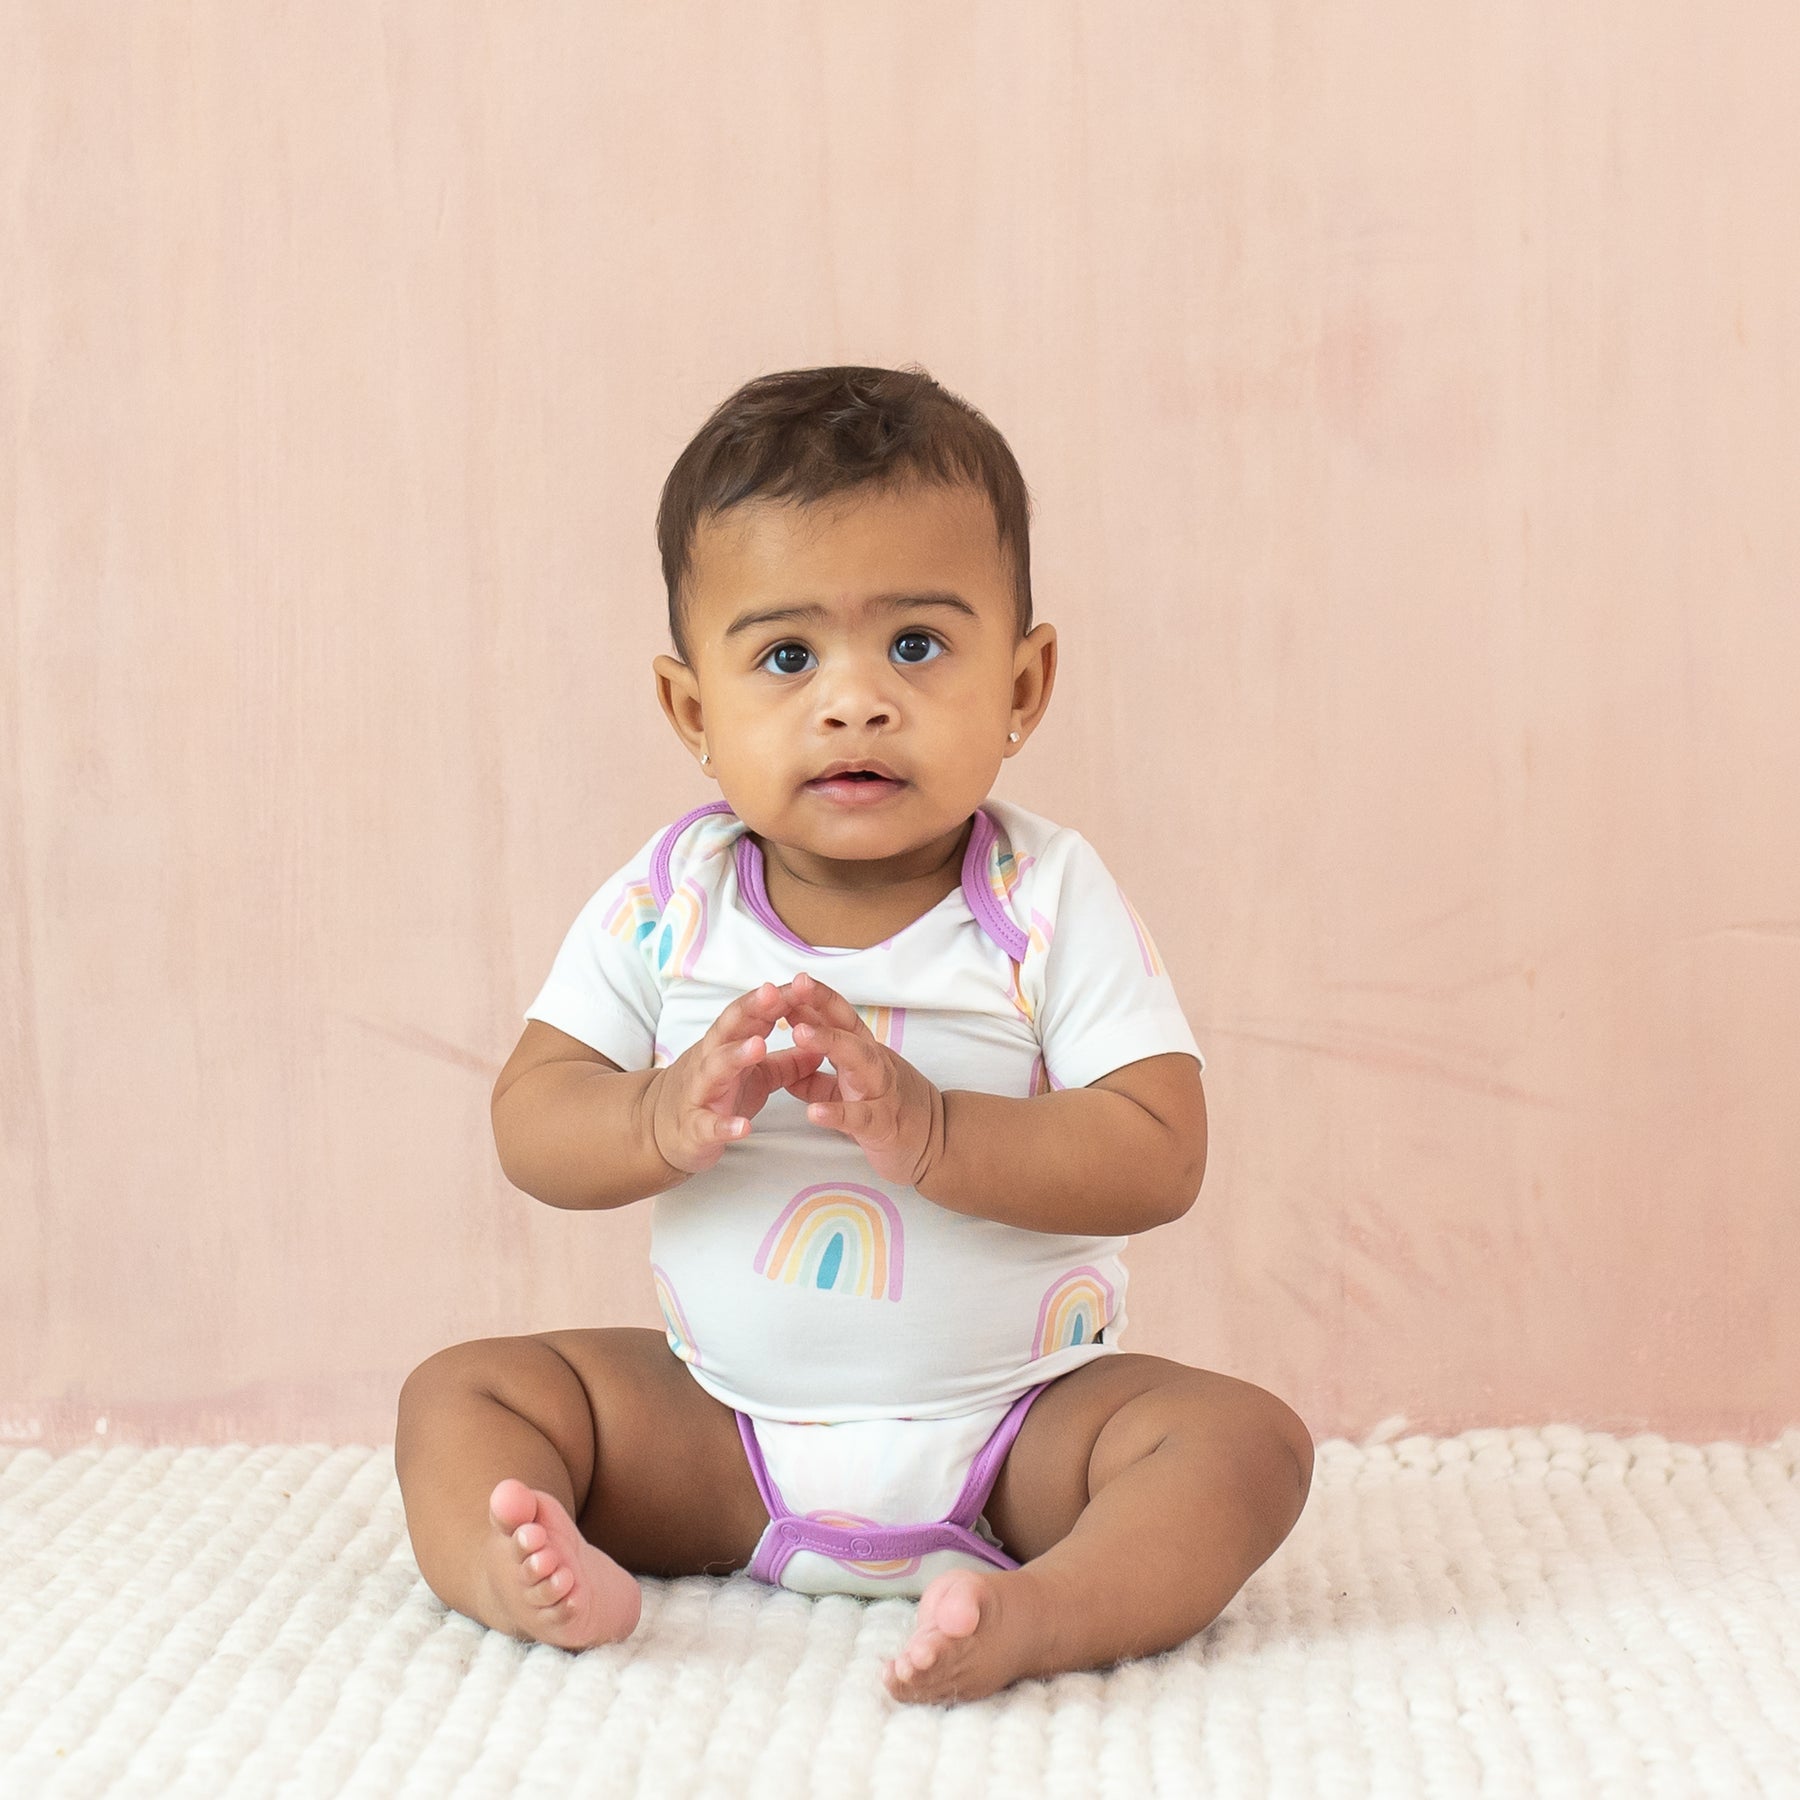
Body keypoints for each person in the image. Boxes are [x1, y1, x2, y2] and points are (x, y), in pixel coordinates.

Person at [395, 364, 1314, 1705]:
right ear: (693, 711)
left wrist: (937, 1131)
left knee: (1244, 1443)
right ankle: (519, 1577)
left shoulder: (1044, 898)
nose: (855, 701)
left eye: (919, 647)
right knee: (465, 1394)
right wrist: (655, 1118)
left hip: (1021, 1434)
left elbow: (1160, 1151)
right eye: (785, 657)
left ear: (1025, 678)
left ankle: (1049, 1608)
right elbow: (532, 1118)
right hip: (720, 1434)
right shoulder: (670, 904)